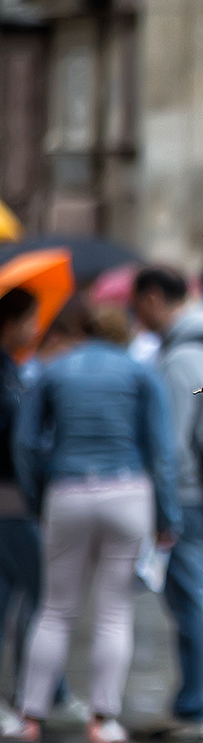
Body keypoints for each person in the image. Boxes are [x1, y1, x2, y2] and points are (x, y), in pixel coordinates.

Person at [6, 299, 179, 743]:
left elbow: (26, 444)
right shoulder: (141, 373)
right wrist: (168, 516)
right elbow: (161, 450)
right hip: (127, 491)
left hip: (67, 491)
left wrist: (38, 496)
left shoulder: (54, 370)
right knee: (114, 611)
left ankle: (30, 716)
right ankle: (103, 721)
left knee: (55, 609)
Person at [130, 266, 203, 740]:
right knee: (195, 596)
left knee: (193, 598)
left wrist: (164, 507)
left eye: (136, 303)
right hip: (199, 490)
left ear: (151, 298)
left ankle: (200, 706)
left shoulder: (180, 357)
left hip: (184, 494)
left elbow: (169, 445)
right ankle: (197, 701)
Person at [0, 288, 40, 719]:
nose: (34, 330)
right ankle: (42, 691)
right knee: (44, 593)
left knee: (10, 591)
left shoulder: (11, 367)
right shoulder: (3, 370)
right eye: (31, 319)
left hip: (10, 495)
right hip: (9, 496)